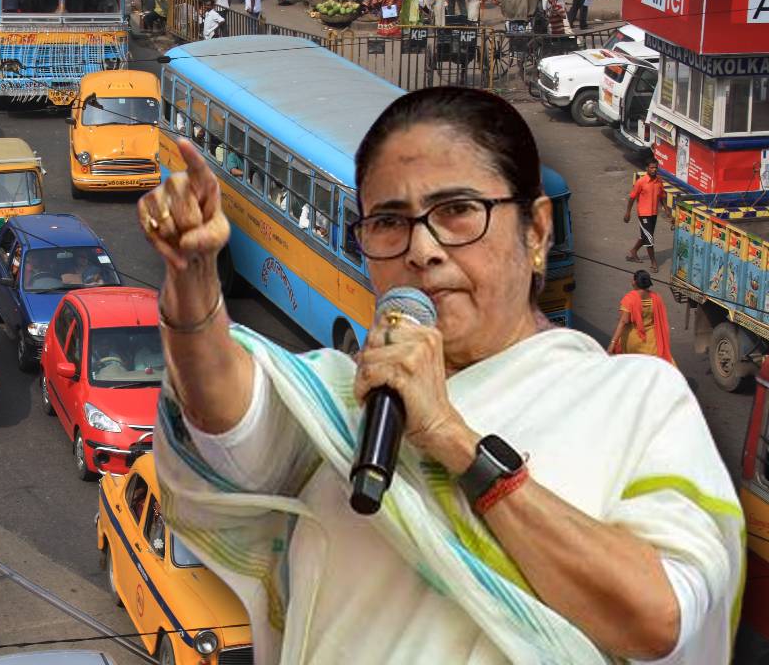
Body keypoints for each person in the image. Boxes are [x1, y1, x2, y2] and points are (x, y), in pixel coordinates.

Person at [137, 86, 742, 664]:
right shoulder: (344, 407)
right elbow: (224, 414)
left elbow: (660, 621)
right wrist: (193, 279)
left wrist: (453, 439)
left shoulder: (634, 401)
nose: (421, 250)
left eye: (456, 211)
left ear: (535, 232)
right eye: (389, 222)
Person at [609, 270, 675, 364]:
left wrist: (612, 344)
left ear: (635, 282)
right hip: (652, 340)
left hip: (634, 341)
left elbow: (624, 322)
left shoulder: (629, 299)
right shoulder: (656, 298)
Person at [625, 161, 666, 274]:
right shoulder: (641, 182)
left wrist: (667, 211)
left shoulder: (659, 181)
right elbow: (632, 198)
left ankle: (633, 251)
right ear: (647, 168)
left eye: (656, 168)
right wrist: (628, 213)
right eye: (652, 167)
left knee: (646, 236)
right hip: (643, 214)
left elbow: (662, 196)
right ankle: (653, 263)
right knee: (649, 239)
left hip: (653, 214)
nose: (654, 170)